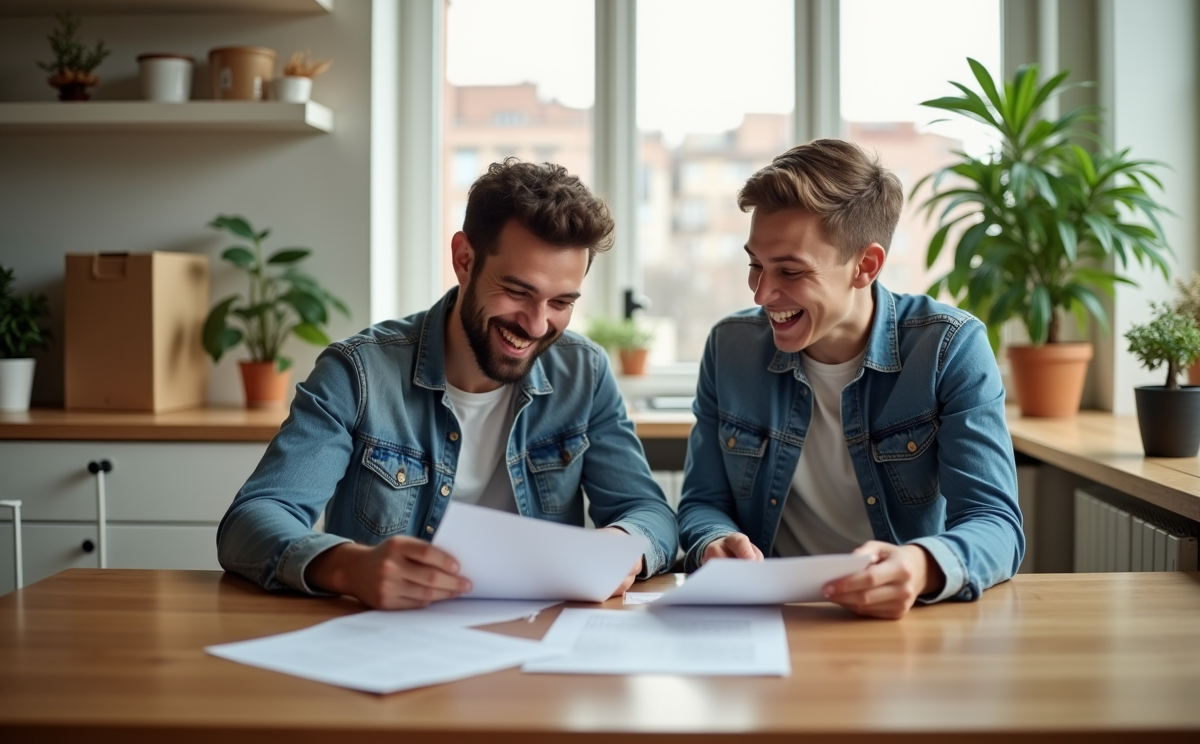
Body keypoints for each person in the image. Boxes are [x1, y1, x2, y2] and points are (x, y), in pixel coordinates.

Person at [218, 158, 678, 609]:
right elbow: (252, 520)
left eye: (561, 301)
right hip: (388, 647)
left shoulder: (585, 373)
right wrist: (348, 567)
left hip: (535, 644)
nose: (537, 325)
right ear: (464, 259)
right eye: (518, 292)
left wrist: (622, 543)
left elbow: (650, 514)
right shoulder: (359, 373)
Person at [676, 139, 1024, 620]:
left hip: (897, 621)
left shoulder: (948, 348)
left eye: (790, 271)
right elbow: (703, 501)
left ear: (866, 266)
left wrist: (922, 566)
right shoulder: (729, 347)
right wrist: (712, 539)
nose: (762, 293)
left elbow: (996, 522)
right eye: (755, 264)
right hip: (770, 617)